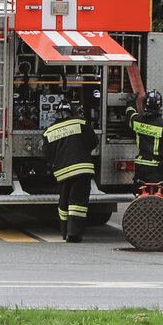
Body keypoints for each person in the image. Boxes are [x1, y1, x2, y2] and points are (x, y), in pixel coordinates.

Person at [42, 99, 97, 243]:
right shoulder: (81, 123)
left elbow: (46, 154)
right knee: (77, 202)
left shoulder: (49, 132)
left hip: (62, 173)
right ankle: (73, 234)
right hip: (82, 170)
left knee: (64, 202)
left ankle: (64, 231)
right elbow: (93, 141)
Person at [126, 90, 163, 196]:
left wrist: (131, 102)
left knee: (140, 197)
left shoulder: (137, 121)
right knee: (158, 199)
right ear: (160, 106)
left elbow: (129, 114)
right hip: (157, 170)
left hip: (141, 168)